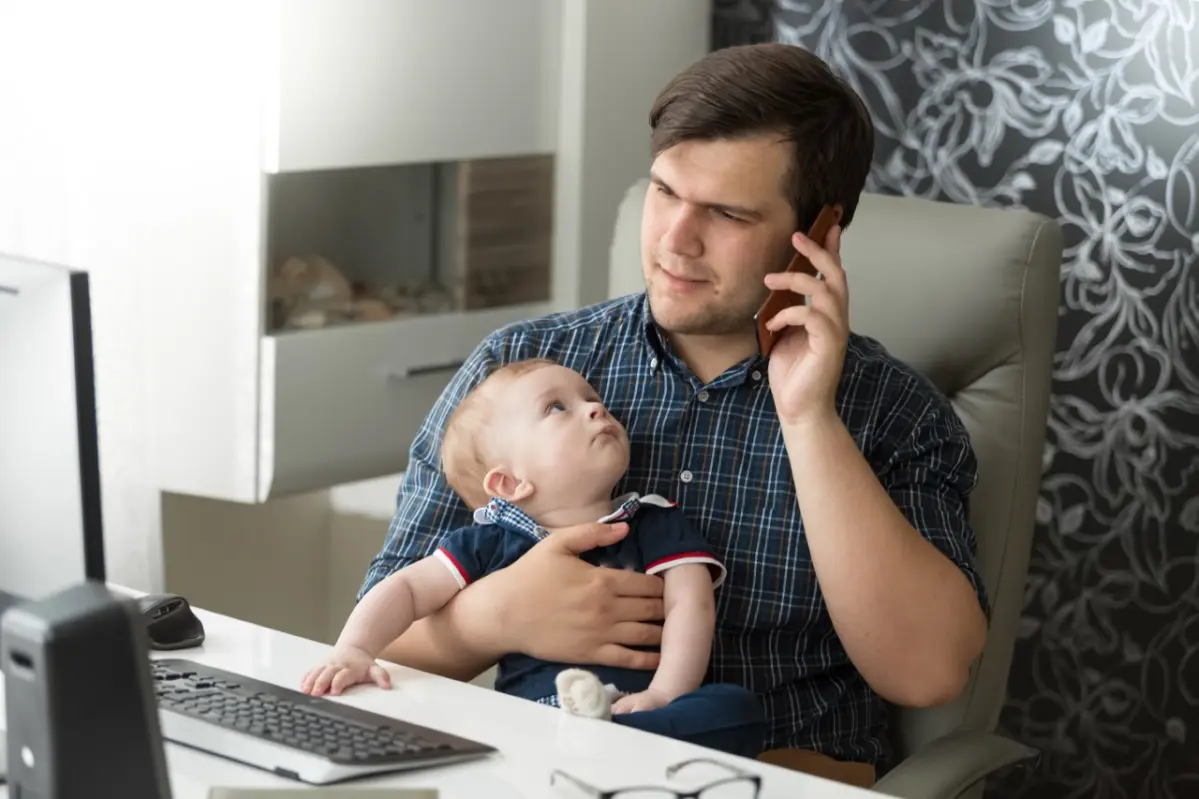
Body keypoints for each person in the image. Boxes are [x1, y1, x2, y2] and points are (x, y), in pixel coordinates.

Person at [357, 42, 989, 785]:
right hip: (549, 771)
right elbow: (377, 634)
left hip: (771, 773)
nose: (673, 241)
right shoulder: (521, 368)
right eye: (663, 191)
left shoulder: (893, 411)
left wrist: (808, 417)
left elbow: (927, 673)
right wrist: (499, 616)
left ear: (817, 236)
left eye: (723, 212)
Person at [302, 358, 766, 757]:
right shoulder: (491, 542)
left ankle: (612, 740)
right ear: (510, 484)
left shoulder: (651, 520)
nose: (594, 406)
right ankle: (591, 742)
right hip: (536, 720)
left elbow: (692, 604)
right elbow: (405, 587)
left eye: (591, 397)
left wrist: (666, 693)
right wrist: (355, 649)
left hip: (643, 711)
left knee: (736, 709)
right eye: (556, 408)